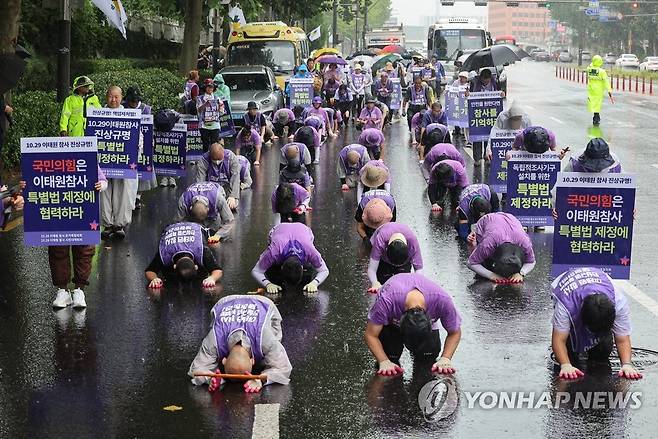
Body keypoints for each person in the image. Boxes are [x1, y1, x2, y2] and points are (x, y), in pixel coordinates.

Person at [551, 267, 642, 380]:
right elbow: (559, 340)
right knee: (569, 352)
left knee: (603, 349)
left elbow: (622, 339)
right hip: (566, 286)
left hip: (598, 283)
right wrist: (566, 365)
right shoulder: (565, 305)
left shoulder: (619, 302)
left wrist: (627, 365)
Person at [189, 294, 293, 393]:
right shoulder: (214, 339)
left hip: (263, 304)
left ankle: (268, 354)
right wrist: (211, 379)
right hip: (225, 303)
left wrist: (260, 380)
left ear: (224, 361)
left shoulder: (265, 339)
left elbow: (283, 368)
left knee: (275, 344)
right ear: (252, 361)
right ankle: (270, 354)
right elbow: (196, 369)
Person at [365, 273, 462, 376]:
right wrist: (383, 361)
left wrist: (445, 358)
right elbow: (371, 335)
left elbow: (455, 333)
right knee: (391, 356)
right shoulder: (386, 301)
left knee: (428, 356)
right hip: (391, 322)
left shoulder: (443, 301)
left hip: (424, 310)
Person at [45, 168, 104, 309]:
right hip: (58, 209)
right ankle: (62, 290)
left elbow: (102, 179)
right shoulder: (49, 156)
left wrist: (101, 184)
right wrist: (26, 185)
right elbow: (36, 178)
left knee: (84, 249)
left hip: (83, 209)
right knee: (57, 248)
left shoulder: (85, 155)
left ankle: (79, 289)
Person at [100, 86, 140, 240]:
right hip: (103, 163)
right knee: (104, 193)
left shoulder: (129, 115)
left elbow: (138, 136)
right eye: (111, 96)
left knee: (122, 193)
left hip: (123, 163)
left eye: (116, 97)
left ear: (121, 97)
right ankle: (107, 224)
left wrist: (136, 148)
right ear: (106, 97)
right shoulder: (98, 114)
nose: (113, 100)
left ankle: (119, 225)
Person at [251, 222, 329, 293]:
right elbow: (256, 271)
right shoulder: (273, 252)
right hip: (279, 229)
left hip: (303, 229)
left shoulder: (310, 250)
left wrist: (314, 283)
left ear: (302, 267)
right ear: (281, 267)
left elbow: (325, 270)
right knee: (273, 275)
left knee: (307, 277)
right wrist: (268, 284)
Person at [145, 222, 222, 289]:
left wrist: (212, 278)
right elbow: (150, 271)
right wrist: (154, 279)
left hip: (195, 228)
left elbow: (218, 270)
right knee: (167, 274)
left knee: (215, 238)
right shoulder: (165, 252)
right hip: (172, 229)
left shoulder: (202, 250)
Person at [466, 212, 536, 283]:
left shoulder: (525, 242)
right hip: (486, 221)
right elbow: (471, 263)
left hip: (509, 218)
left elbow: (531, 262)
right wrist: (491, 275)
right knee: (484, 266)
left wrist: (521, 273)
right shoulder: (488, 244)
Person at [368, 223, 423, 292]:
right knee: (384, 286)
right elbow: (372, 269)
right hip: (384, 260)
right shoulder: (380, 239)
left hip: (404, 262)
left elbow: (419, 269)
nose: (395, 265)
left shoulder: (412, 242)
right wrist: (375, 283)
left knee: (403, 286)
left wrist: (416, 286)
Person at [195, 142, 241, 210]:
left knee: (232, 205)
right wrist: (201, 198)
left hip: (227, 186)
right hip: (209, 188)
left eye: (219, 159)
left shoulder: (231, 157)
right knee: (202, 207)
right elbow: (200, 181)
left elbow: (235, 177)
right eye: (214, 160)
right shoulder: (204, 160)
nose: (217, 162)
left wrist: (233, 196)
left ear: (223, 153)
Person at [197, 79, 224, 153]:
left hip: (215, 125)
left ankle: (213, 160)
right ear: (205, 88)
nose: (210, 89)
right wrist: (205, 105)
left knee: (214, 145)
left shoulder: (217, 98)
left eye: (211, 87)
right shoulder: (200, 98)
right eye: (208, 87)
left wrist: (219, 107)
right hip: (204, 125)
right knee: (205, 144)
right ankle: (205, 161)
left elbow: (222, 111)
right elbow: (198, 110)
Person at [587, 55, 614, 125]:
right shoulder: (602, 71)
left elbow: (590, 66)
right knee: (597, 104)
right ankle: (596, 117)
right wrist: (609, 90)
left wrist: (592, 64)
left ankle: (596, 116)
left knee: (593, 103)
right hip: (598, 90)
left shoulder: (589, 69)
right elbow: (606, 81)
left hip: (591, 89)